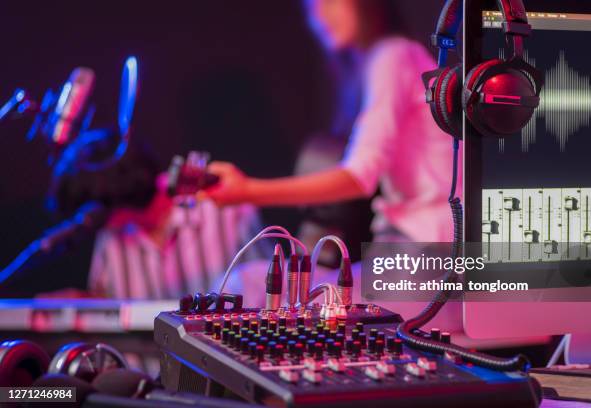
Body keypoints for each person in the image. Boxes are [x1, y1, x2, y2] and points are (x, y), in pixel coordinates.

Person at [202, 0, 460, 243]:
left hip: (426, 238)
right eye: (310, 8)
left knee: (249, 282)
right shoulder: (376, 63)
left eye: (329, 1)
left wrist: (247, 191)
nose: (319, 16)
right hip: (409, 236)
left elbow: (359, 177)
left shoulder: (392, 55)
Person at [47, 128, 266, 299]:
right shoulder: (111, 240)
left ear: (113, 203)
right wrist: (79, 304)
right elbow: (109, 307)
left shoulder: (224, 210)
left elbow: (267, 295)